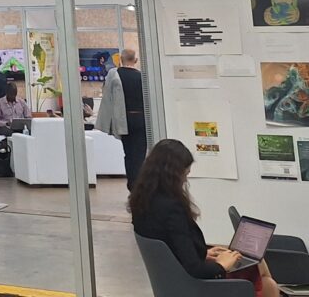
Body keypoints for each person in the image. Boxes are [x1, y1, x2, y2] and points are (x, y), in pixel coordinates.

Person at [131, 139, 278, 297]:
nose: (185, 180)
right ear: (172, 175)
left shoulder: (143, 202)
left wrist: (202, 252)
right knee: (265, 280)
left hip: (172, 282)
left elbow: (172, 246)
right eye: (184, 174)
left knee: (258, 268)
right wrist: (222, 265)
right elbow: (195, 269)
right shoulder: (172, 210)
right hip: (193, 286)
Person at [96, 47, 147, 189]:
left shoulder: (114, 75)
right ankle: (138, 185)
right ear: (136, 60)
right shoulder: (142, 77)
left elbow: (107, 97)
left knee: (128, 153)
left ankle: (132, 184)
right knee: (139, 155)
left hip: (124, 120)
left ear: (120, 60)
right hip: (141, 120)